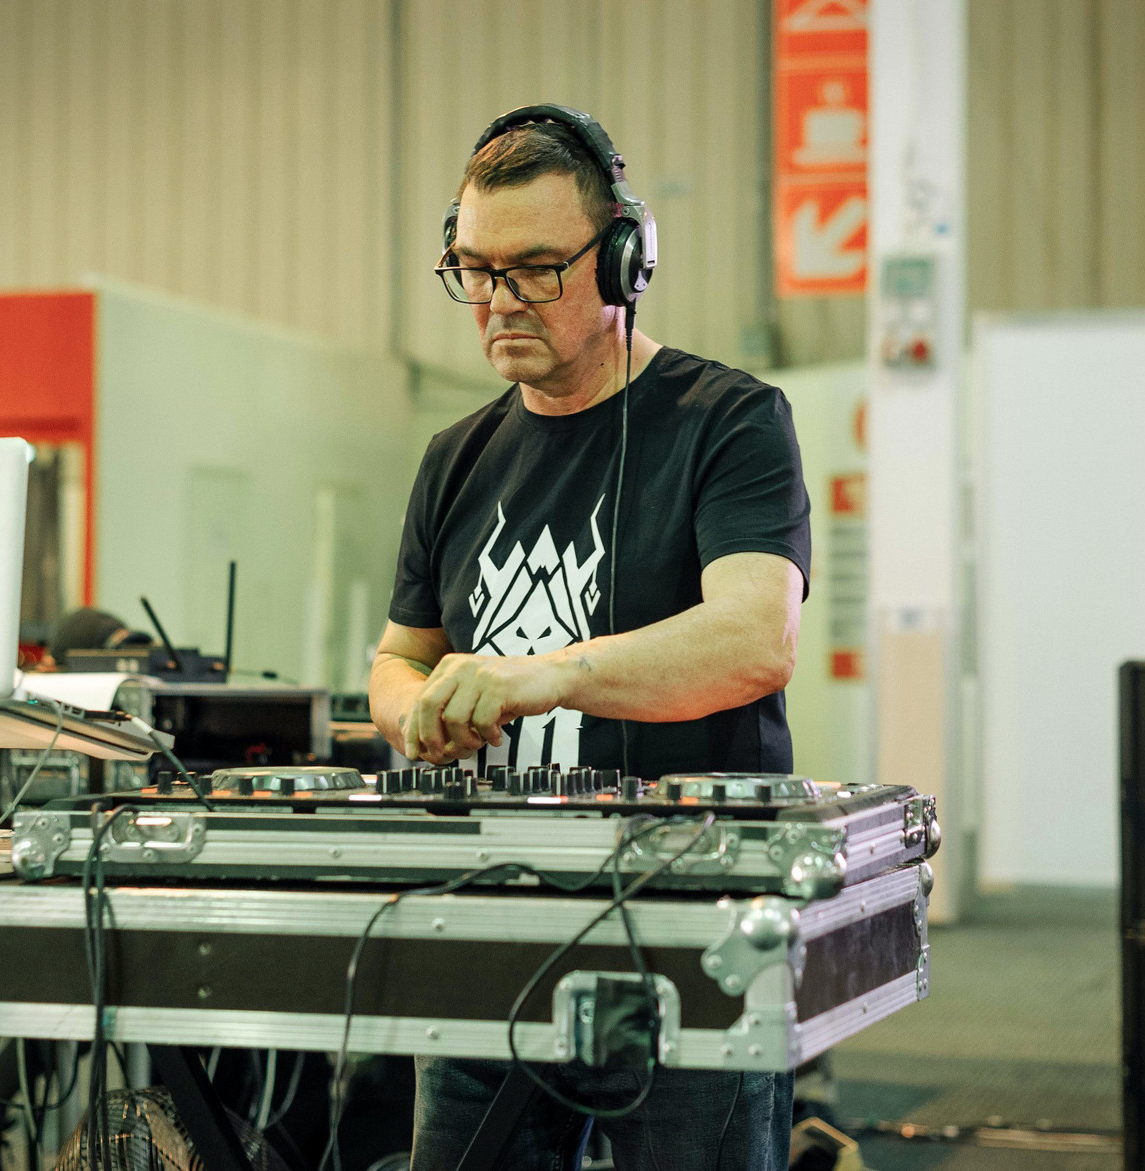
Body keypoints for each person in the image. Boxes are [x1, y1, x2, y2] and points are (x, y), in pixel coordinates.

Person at [370, 105, 811, 1171]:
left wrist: (542, 677)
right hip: (489, 929)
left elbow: (753, 638)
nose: (497, 301)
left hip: (688, 935)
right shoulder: (454, 457)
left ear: (621, 261)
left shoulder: (729, 420)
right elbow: (397, 657)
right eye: (475, 270)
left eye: (533, 269)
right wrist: (416, 712)